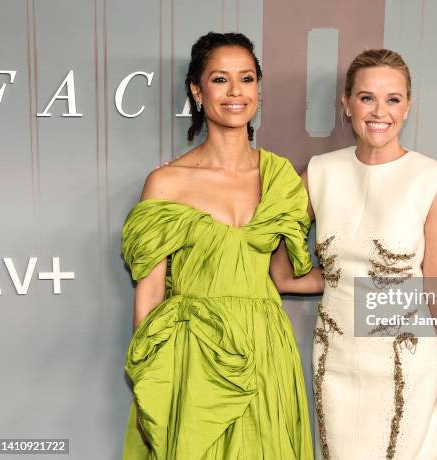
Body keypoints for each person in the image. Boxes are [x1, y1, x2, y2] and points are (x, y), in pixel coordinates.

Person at [120, 32, 319, 460]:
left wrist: (370, 277)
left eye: (246, 79)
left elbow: (283, 275)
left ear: (258, 90)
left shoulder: (281, 177)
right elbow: (151, 293)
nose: (235, 92)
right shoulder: (167, 183)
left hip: (266, 350)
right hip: (195, 354)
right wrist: (149, 377)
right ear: (197, 90)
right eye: (220, 79)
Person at [272, 48, 437, 459]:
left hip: (406, 359)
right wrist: (344, 284)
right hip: (336, 356)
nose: (380, 111)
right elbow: (284, 275)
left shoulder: (433, 181)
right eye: (367, 98)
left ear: (408, 106)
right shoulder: (319, 172)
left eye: (393, 99)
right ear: (346, 103)